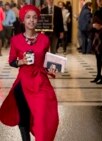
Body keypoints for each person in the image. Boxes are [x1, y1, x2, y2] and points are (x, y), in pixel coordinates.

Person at [0, 5, 59, 141]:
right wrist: (22, 61)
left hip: (40, 81)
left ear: (37, 20)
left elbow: (45, 62)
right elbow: (11, 61)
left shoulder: (44, 39)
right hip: (23, 82)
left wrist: (50, 69)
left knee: (45, 115)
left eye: (34, 17)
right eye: (28, 17)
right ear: (23, 20)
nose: (31, 20)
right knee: (24, 116)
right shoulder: (16, 40)